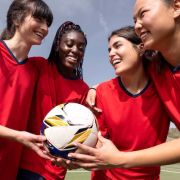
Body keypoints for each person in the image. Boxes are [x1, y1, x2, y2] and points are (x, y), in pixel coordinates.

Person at [68, 0, 180, 170]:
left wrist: (120, 159)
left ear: (176, 7)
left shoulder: (157, 72)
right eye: (135, 20)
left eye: (143, 14)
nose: (137, 26)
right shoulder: (159, 68)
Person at [18, 21, 89, 180]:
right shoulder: (39, 66)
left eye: (81, 47)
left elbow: (84, 132)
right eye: (69, 44)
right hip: (25, 164)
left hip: (56, 171)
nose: (75, 50)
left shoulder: (84, 89)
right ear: (57, 46)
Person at [0, 0, 53, 179]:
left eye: (48, 23)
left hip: (9, 168)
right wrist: (17, 136)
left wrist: (94, 89)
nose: (45, 28)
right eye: (38, 19)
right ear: (16, 18)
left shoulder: (34, 70)